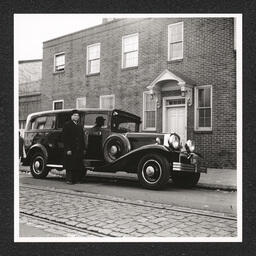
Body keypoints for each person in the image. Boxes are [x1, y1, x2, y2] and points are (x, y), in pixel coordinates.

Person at [63, 110, 85, 184]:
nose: (76, 117)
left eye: (77, 116)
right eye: (75, 115)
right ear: (71, 116)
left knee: (77, 164)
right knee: (70, 165)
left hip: (78, 148)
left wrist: (83, 148)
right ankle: (69, 179)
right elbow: (65, 138)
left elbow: (82, 138)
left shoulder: (79, 126)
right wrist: (68, 149)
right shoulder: (67, 125)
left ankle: (76, 179)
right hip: (71, 148)